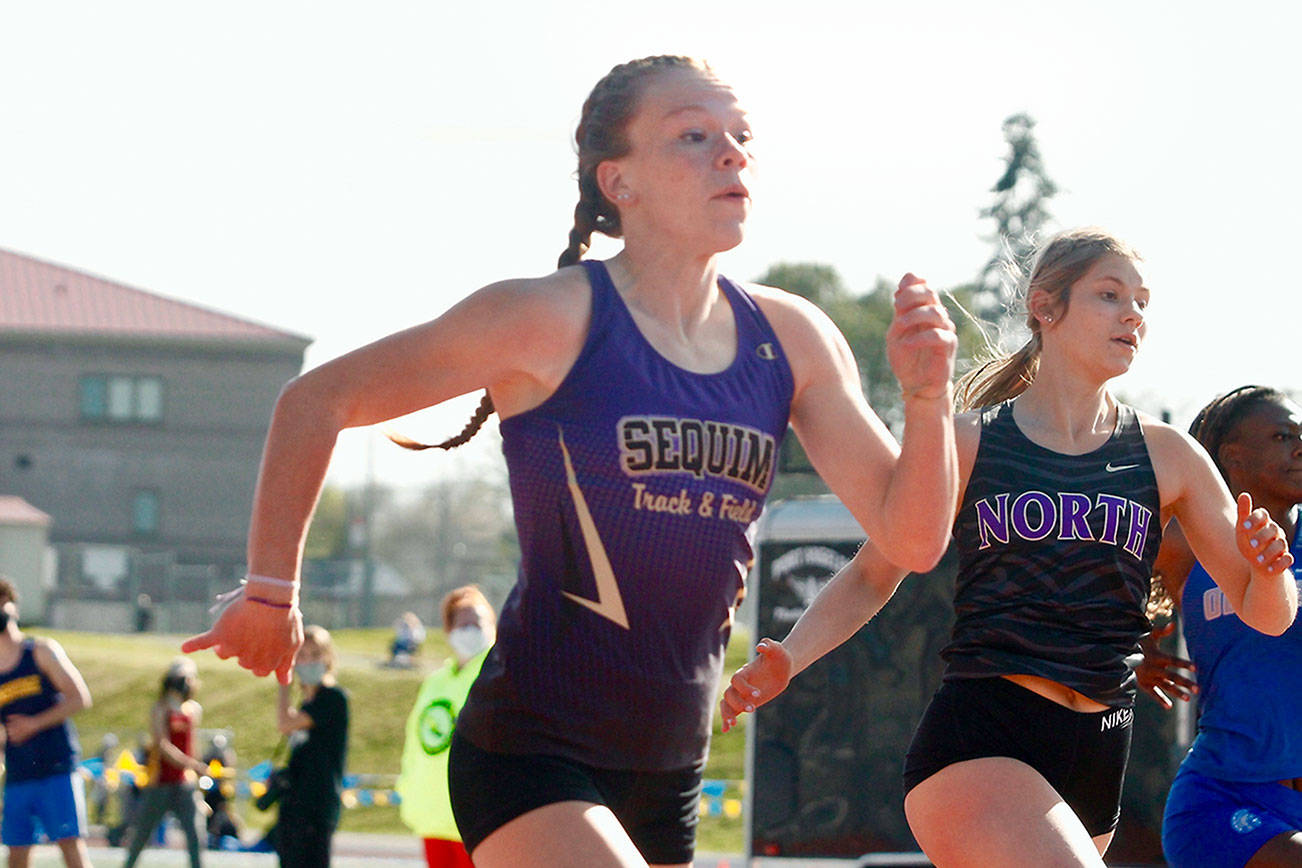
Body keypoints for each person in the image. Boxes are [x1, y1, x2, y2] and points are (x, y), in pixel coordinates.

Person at [183, 54, 961, 868]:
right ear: (617, 181)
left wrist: (926, 397)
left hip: (670, 768)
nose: (731, 154)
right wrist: (271, 592)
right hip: (527, 750)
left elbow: (911, 542)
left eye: (741, 137)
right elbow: (316, 400)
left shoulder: (792, 338)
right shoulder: (544, 319)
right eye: (693, 136)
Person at [721, 228, 1298, 867]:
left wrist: (1270, 571)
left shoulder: (1169, 457)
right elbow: (873, 572)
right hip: (982, 740)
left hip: (1100, 752)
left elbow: (1265, 613)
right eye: (1110, 295)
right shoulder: (970, 442)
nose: (1133, 313)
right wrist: (788, 657)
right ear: (1045, 307)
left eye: (1142, 301)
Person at [1137, 386, 1302, 868]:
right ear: (1232, 456)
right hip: (1223, 798)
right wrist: (1138, 652)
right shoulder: (1190, 542)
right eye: (1281, 435)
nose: (1299, 447)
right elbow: (1115, 590)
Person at [396, 586, 496, 868]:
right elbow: (416, 740)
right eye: (463, 624)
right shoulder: (436, 682)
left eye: (478, 622)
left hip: (478, 816)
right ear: (449, 630)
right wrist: (408, 788)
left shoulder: (498, 674)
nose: (471, 629)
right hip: (434, 814)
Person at [0, 577, 94, 868]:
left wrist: (34, 724)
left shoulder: (40, 651)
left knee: (71, 848)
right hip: (18, 773)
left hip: (55, 768)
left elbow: (80, 697)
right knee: (16, 854)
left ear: (12, 607)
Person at [273, 625, 348, 868]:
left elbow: (285, 723)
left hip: (317, 806)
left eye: (315, 655)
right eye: (302, 656)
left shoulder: (332, 699)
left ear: (327, 658)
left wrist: (283, 679)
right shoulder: (305, 704)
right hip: (294, 805)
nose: (308, 662)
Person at [122, 658, 206, 868]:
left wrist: (194, 769)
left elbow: (192, 743)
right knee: (143, 832)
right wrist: (189, 763)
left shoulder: (192, 709)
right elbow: (162, 745)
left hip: (184, 782)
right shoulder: (160, 708)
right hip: (160, 781)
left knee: (195, 832)